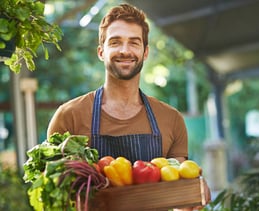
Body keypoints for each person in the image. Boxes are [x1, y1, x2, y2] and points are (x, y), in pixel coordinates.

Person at [47, 3, 210, 210]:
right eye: (115, 42)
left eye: (134, 42)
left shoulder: (171, 119)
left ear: (145, 52)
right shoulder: (68, 116)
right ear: (101, 52)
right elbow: (54, 198)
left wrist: (192, 196)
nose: (125, 50)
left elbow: (177, 194)